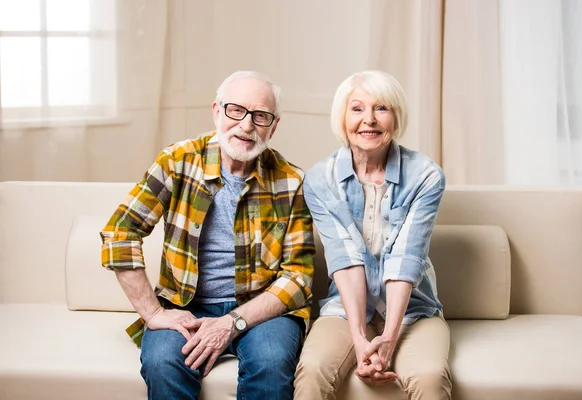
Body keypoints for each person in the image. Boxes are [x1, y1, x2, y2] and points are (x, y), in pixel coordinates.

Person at [100, 71, 315, 400]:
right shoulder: (177, 161)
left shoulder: (292, 181)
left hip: (261, 309)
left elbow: (299, 278)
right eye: (235, 110)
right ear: (216, 110)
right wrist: (154, 313)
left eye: (260, 116)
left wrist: (232, 322)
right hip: (187, 304)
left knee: (272, 364)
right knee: (162, 363)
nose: (246, 125)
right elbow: (120, 232)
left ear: (274, 125)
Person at [294, 70, 452, 400]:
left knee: (429, 376)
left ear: (396, 117)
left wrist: (389, 338)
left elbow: (405, 259)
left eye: (381, 108)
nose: (369, 120)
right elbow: (345, 258)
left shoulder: (425, 175)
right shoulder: (321, 178)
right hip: (346, 307)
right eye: (357, 109)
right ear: (342, 117)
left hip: (414, 310)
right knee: (312, 371)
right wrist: (358, 338)